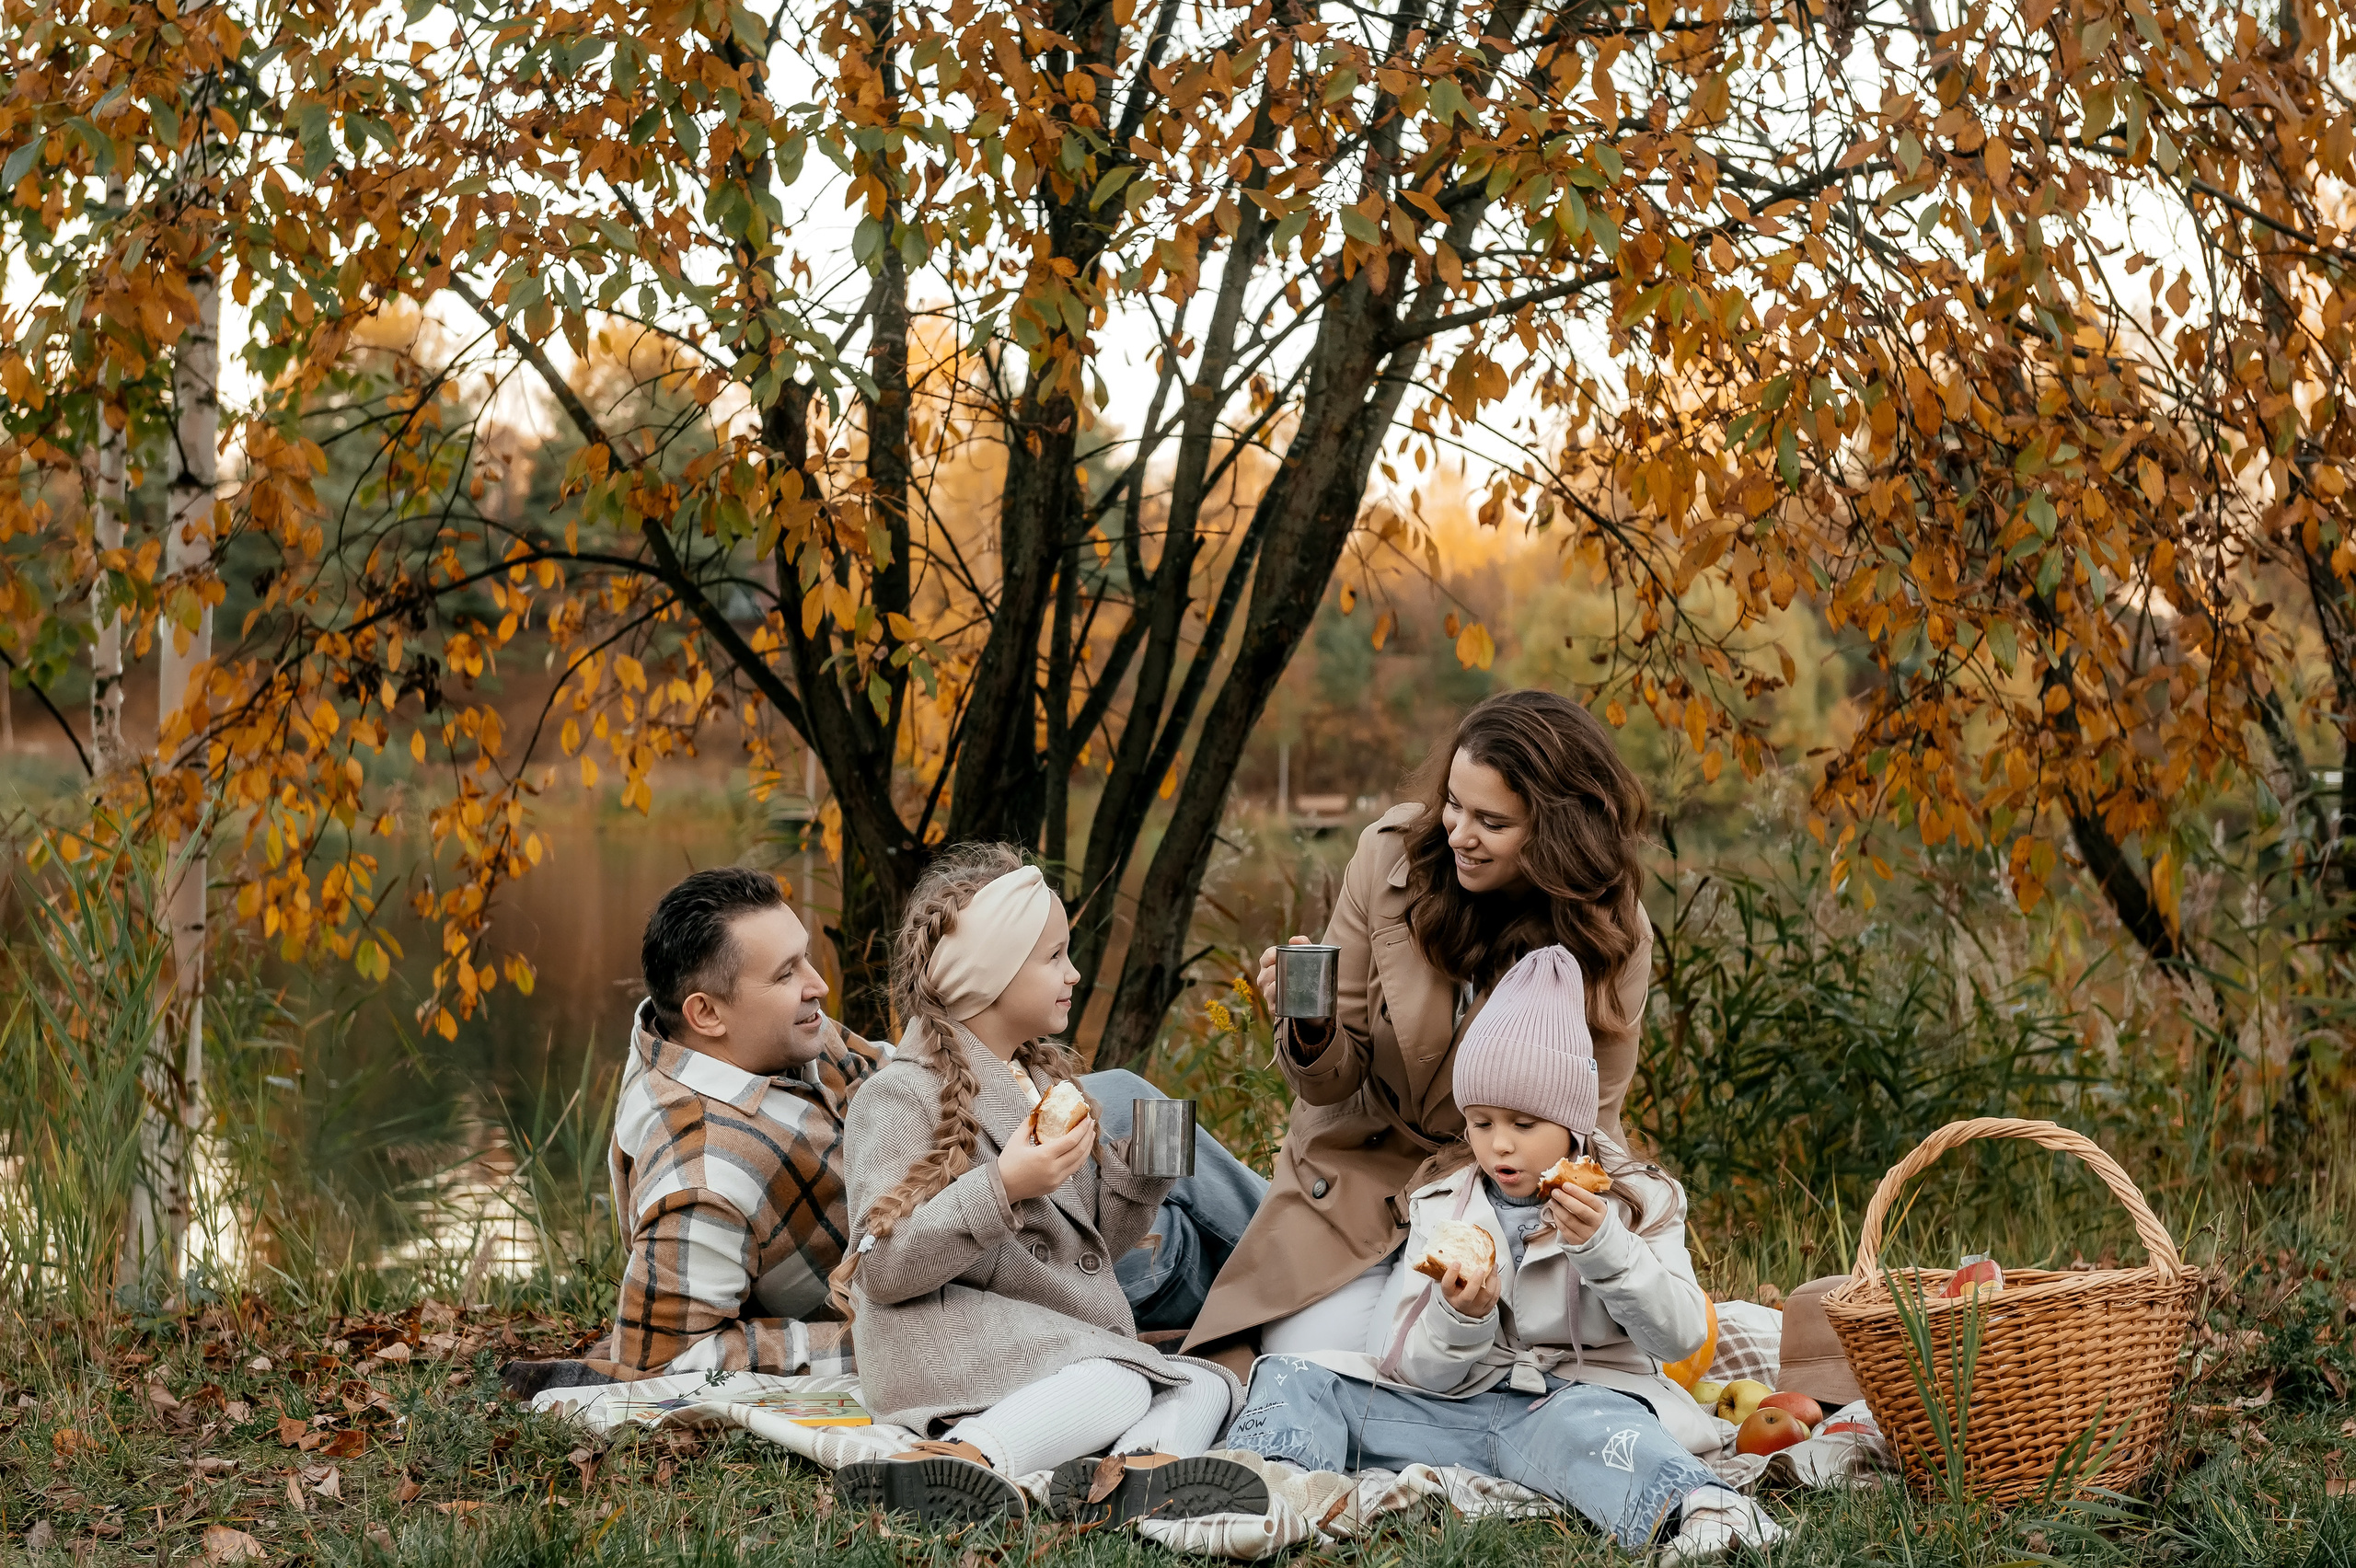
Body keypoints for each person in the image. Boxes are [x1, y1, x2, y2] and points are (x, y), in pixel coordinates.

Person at [501, 864, 1266, 1397]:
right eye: (786, 974)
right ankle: (1316, 1266)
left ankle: (1314, 1254)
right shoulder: (701, 1172)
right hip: (980, 1273)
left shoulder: (778, 1040)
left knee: (1131, 1111)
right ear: (706, 1013)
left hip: (996, 1215)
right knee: (1183, 1254)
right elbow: (666, 1359)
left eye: (806, 960)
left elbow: (905, 1075)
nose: (818, 986)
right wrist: (884, 1341)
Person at [1221, 947, 1784, 1563]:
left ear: (1572, 1121)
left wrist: (1604, 1250)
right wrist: (1461, 1316)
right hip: (1461, 1407)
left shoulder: (1639, 1200)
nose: (1500, 1146)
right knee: (1293, 1372)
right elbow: (1417, 1371)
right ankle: (1264, 1494)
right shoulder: (1443, 1200)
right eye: (1482, 1122)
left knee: (1593, 1425)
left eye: (1523, 1123)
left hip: (1572, 1406)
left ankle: (1711, 1514)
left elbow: (1678, 1337)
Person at [1185, 689, 1653, 1369]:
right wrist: (1309, 1027)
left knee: (1438, 1364)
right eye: (1455, 804)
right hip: (1355, 1178)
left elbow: (1590, 1121)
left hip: (1490, 1196)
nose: (1460, 832)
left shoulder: (1613, 935)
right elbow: (1328, 1086)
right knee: (1314, 1360)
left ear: (1558, 833)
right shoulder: (1389, 859)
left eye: (1492, 821)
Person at [829, 846, 1266, 1527]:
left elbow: (1089, 1255)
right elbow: (881, 1269)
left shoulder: (1038, 1086)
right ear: (991, 976)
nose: (1075, 972)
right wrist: (1003, 1184)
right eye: (1054, 957)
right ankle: (957, 1463)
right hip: (943, 1340)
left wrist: (1141, 1179)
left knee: (1210, 1383)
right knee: (1123, 1381)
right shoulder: (897, 1097)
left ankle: (1137, 1474)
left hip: (1041, 1331)